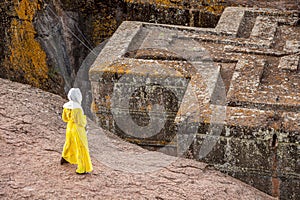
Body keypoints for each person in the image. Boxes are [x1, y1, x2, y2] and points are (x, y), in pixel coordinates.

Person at [60, 88, 93, 174]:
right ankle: (83, 168)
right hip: (77, 129)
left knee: (69, 143)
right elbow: (81, 122)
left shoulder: (66, 106)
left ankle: (65, 157)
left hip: (69, 127)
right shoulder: (77, 108)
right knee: (82, 147)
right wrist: (85, 119)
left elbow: (65, 118)